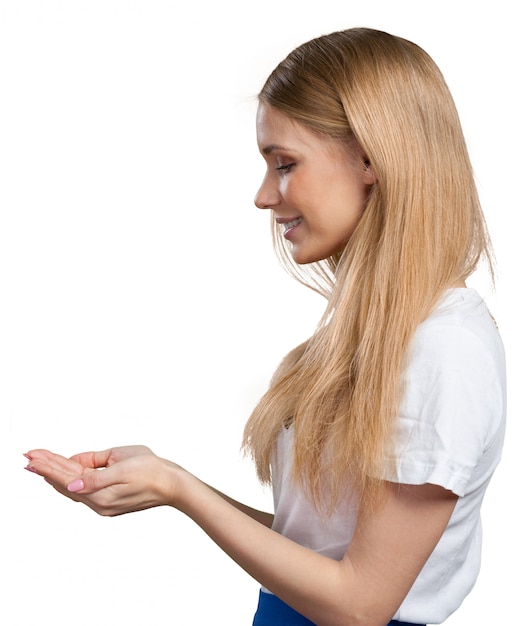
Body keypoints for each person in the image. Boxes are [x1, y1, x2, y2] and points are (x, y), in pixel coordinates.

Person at [24, 27, 506, 626]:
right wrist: (169, 486)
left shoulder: (446, 349)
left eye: (285, 164)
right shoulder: (364, 340)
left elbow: (360, 606)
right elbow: (313, 555)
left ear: (371, 158)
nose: (261, 196)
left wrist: (180, 489)